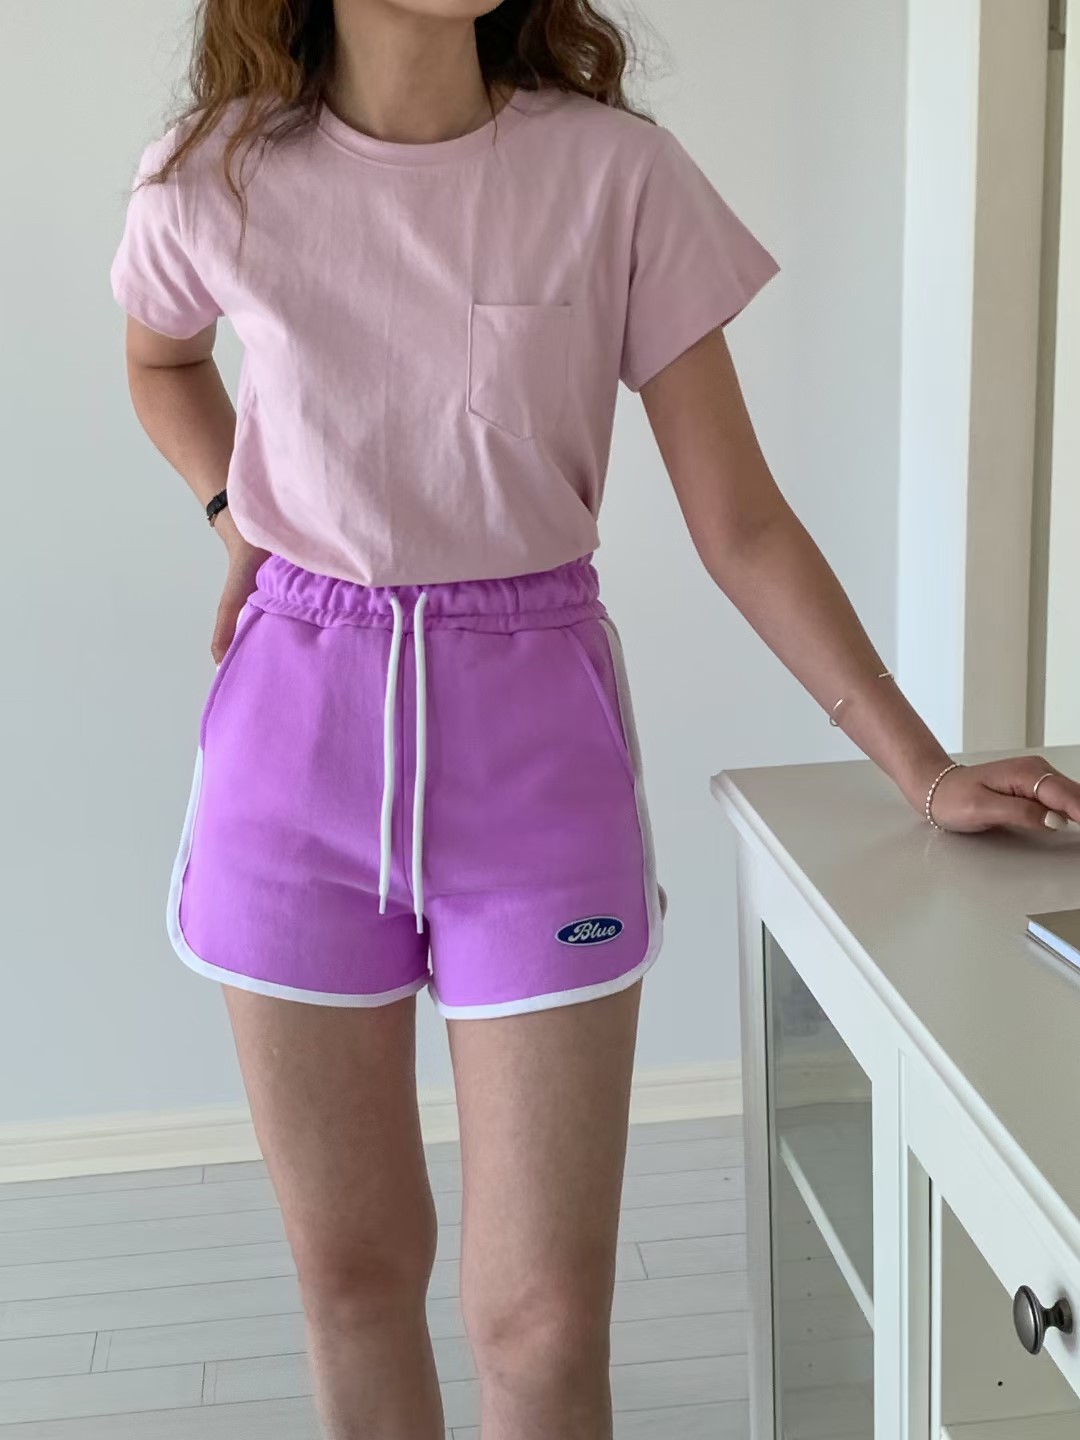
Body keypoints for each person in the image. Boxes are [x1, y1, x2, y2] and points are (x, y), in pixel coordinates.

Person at [110, 2, 1080, 1436]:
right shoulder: (215, 174)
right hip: (291, 750)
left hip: (535, 759)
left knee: (544, 1319)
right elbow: (160, 359)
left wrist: (922, 768)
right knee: (354, 1280)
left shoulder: (616, 175)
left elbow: (741, 521)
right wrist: (230, 513)